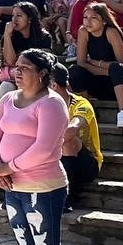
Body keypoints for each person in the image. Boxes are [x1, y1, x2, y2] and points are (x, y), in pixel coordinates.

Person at [0, 48, 69, 245]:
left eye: (25, 68)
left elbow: (44, 148)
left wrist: (7, 167)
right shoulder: (8, 99)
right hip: (12, 185)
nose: (17, 72)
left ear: (41, 73)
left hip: (42, 186)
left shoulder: (51, 103)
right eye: (17, 67)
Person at [69, 2, 123, 128]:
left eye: (93, 18)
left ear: (103, 21)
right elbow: (81, 62)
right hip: (101, 80)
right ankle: (85, 110)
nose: (88, 22)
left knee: (117, 68)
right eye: (85, 18)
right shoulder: (83, 31)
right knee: (75, 71)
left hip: (121, 83)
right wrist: (106, 70)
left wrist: (95, 63)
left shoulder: (111, 32)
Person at [49, 62, 102, 212]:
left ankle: (67, 197)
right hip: (55, 159)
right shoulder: (45, 105)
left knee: (68, 139)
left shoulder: (80, 104)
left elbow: (71, 130)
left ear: (53, 85)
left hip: (86, 164)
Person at [0, 2, 52, 94]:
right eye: (13, 16)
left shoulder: (44, 37)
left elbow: (43, 63)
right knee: (5, 86)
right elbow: (11, 61)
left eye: (19, 16)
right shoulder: (10, 37)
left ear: (30, 19)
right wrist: (7, 35)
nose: (14, 19)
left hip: (36, 78)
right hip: (14, 77)